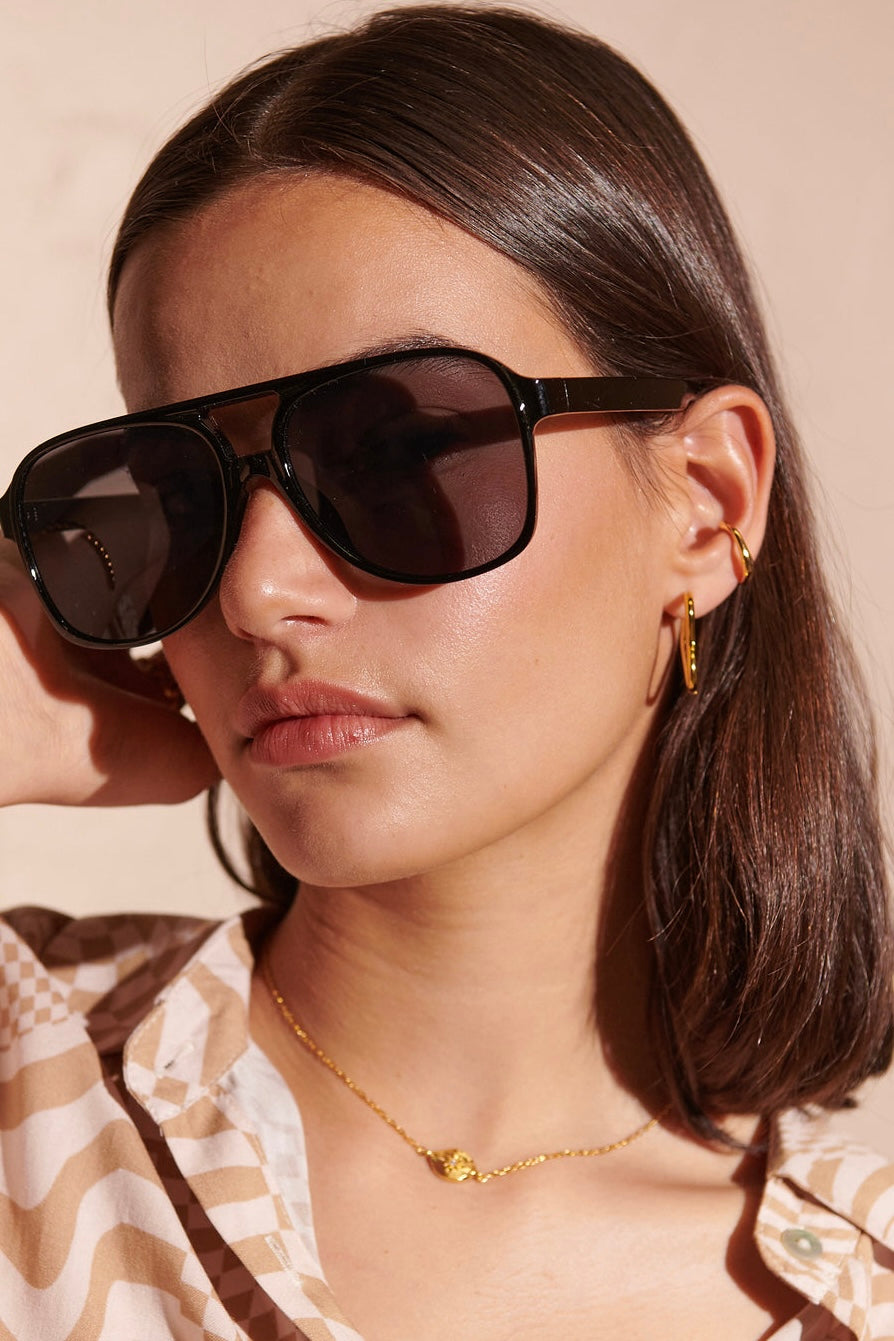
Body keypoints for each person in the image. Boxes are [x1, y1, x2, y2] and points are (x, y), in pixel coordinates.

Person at [0, 5, 891, 1337]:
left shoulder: (852, 1291)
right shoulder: (30, 1088)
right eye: (177, 498)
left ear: (703, 506)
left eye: (399, 453)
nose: (254, 589)